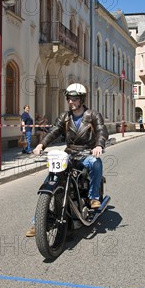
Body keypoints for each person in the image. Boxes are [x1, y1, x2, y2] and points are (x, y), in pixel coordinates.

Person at [25, 83, 108, 237]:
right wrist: (41, 145)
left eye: (74, 99)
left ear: (81, 99)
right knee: (52, 176)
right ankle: (39, 222)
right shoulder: (64, 117)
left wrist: (98, 145)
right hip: (69, 153)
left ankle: (93, 197)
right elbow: (53, 131)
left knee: (96, 163)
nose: (71, 101)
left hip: (87, 153)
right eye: (69, 98)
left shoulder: (93, 115)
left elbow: (101, 131)